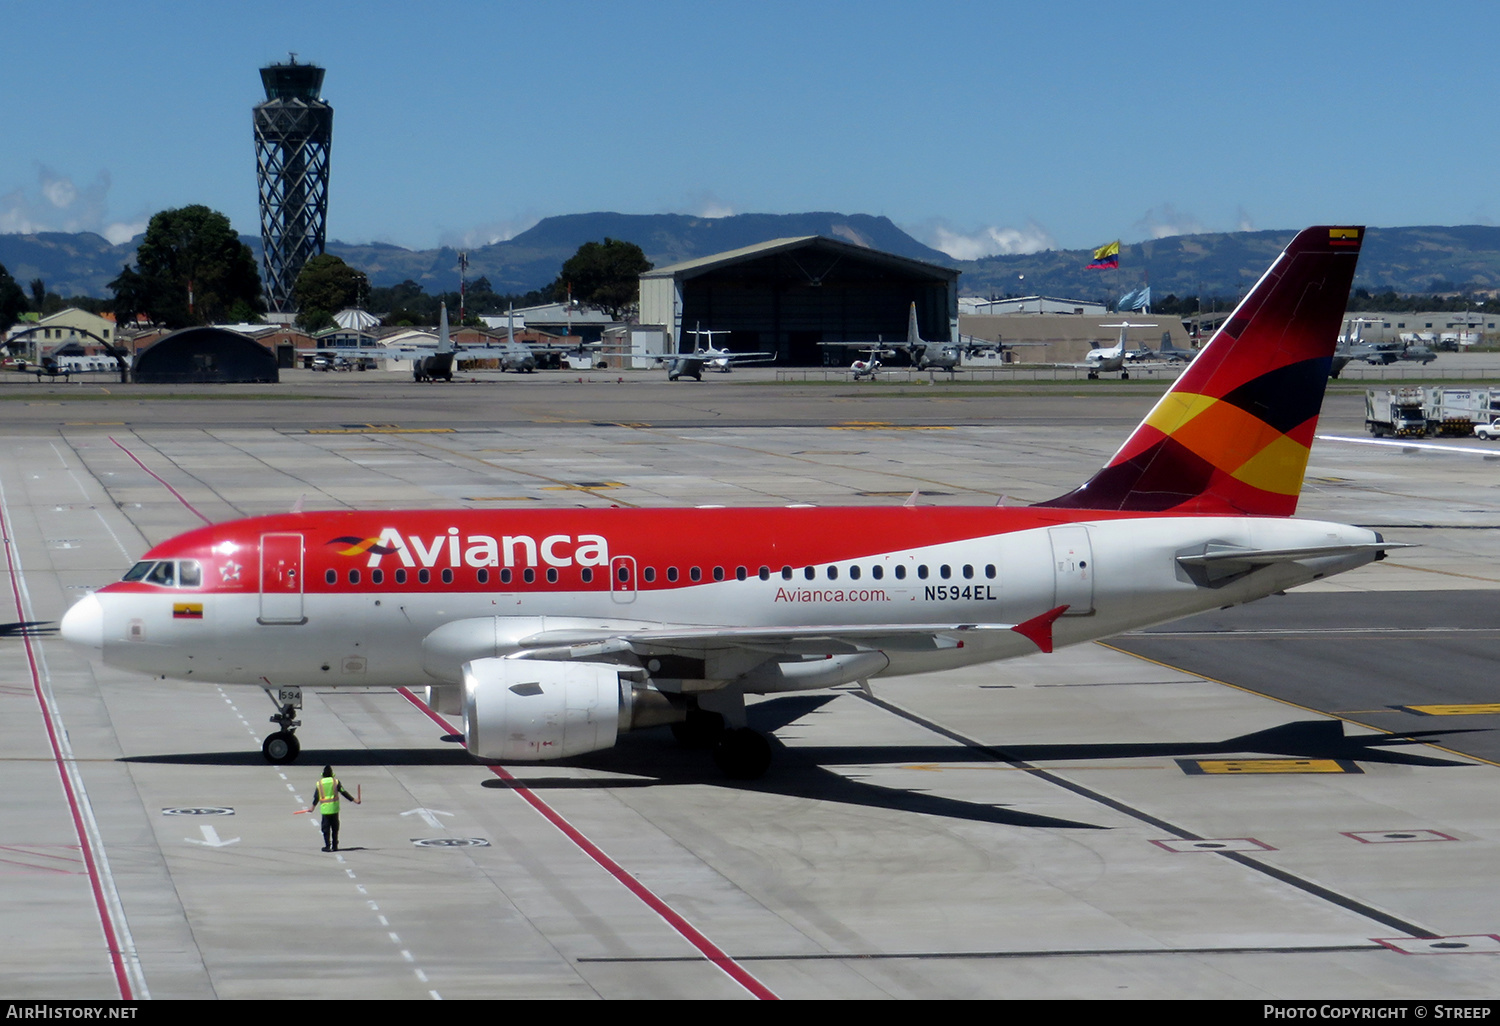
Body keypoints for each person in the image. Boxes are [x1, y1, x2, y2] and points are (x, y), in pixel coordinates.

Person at [308, 765, 358, 851]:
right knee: (335, 827)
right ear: (332, 774)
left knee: (325, 828)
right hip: (334, 809)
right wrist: (354, 800)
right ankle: (335, 845)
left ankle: (327, 846)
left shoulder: (319, 783)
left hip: (325, 809)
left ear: (323, 774)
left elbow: (317, 797)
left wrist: (312, 807)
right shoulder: (336, 782)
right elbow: (343, 792)